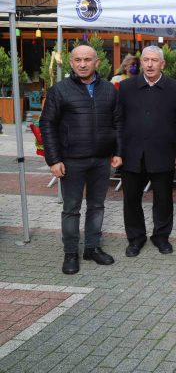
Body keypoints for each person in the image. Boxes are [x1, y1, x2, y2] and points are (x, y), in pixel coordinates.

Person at [39, 45, 123, 274]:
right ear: (71, 63)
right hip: (71, 160)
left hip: (100, 160)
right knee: (71, 208)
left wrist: (118, 152)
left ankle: (92, 248)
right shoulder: (60, 90)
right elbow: (47, 125)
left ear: (97, 62)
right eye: (77, 60)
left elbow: (117, 123)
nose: (82, 64)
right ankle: (70, 252)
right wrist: (53, 160)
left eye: (87, 59)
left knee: (97, 206)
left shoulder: (109, 90)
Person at [118, 45, 176, 257]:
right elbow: (118, 121)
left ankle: (161, 237)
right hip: (132, 153)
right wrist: (118, 152)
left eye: (154, 60)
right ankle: (135, 238)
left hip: (163, 153)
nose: (149, 64)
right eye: (146, 60)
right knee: (131, 199)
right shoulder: (126, 87)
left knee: (164, 199)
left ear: (162, 64)